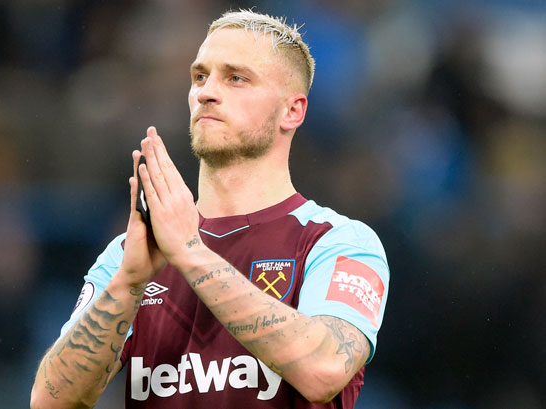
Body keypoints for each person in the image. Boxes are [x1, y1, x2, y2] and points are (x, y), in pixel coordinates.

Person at [30, 9, 389, 409]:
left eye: (236, 78)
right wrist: (127, 283)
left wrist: (191, 253)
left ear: (293, 110)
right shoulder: (131, 254)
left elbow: (324, 371)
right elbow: (50, 402)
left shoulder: (335, 241)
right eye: (200, 76)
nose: (206, 92)